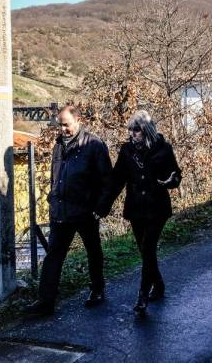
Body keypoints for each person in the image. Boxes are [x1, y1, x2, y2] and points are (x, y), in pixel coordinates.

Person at [25, 105, 113, 316]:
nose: (63, 129)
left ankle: (97, 290)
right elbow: (56, 177)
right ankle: (46, 302)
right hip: (61, 212)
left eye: (66, 125)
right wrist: (52, 199)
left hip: (86, 211)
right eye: (60, 125)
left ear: (78, 120)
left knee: (93, 251)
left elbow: (107, 180)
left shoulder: (94, 144)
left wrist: (101, 207)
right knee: (53, 256)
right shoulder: (58, 146)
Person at [98, 110, 182, 316]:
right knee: (144, 251)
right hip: (136, 208)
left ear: (146, 130)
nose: (132, 134)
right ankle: (159, 286)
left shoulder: (164, 148)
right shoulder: (127, 151)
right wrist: (103, 206)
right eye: (130, 130)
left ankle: (143, 295)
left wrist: (171, 181)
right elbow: (117, 179)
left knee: (148, 248)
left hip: (157, 207)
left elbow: (176, 174)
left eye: (136, 130)